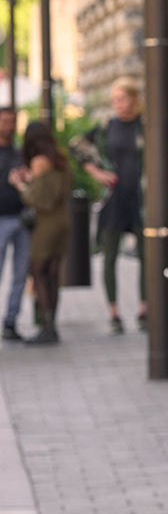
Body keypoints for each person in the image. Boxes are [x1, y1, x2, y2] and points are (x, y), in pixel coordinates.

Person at [73, 77, 147, 334]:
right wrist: (96, 172)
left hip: (141, 200)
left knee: (147, 257)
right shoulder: (107, 126)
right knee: (110, 257)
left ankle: (144, 309)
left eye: (122, 99)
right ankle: (114, 312)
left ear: (135, 99)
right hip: (113, 199)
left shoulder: (145, 126)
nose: (118, 104)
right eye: (115, 99)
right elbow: (77, 146)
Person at [10, 122, 72, 346]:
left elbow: (37, 199)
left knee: (38, 271)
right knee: (53, 274)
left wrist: (19, 184)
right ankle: (51, 324)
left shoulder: (39, 161)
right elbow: (53, 190)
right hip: (63, 220)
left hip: (46, 224)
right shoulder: (60, 159)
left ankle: (47, 328)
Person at [0, 106, 29, 341]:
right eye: (5, 121)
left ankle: (11, 321)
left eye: (12, 121)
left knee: (20, 274)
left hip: (21, 218)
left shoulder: (21, 153)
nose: (9, 125)